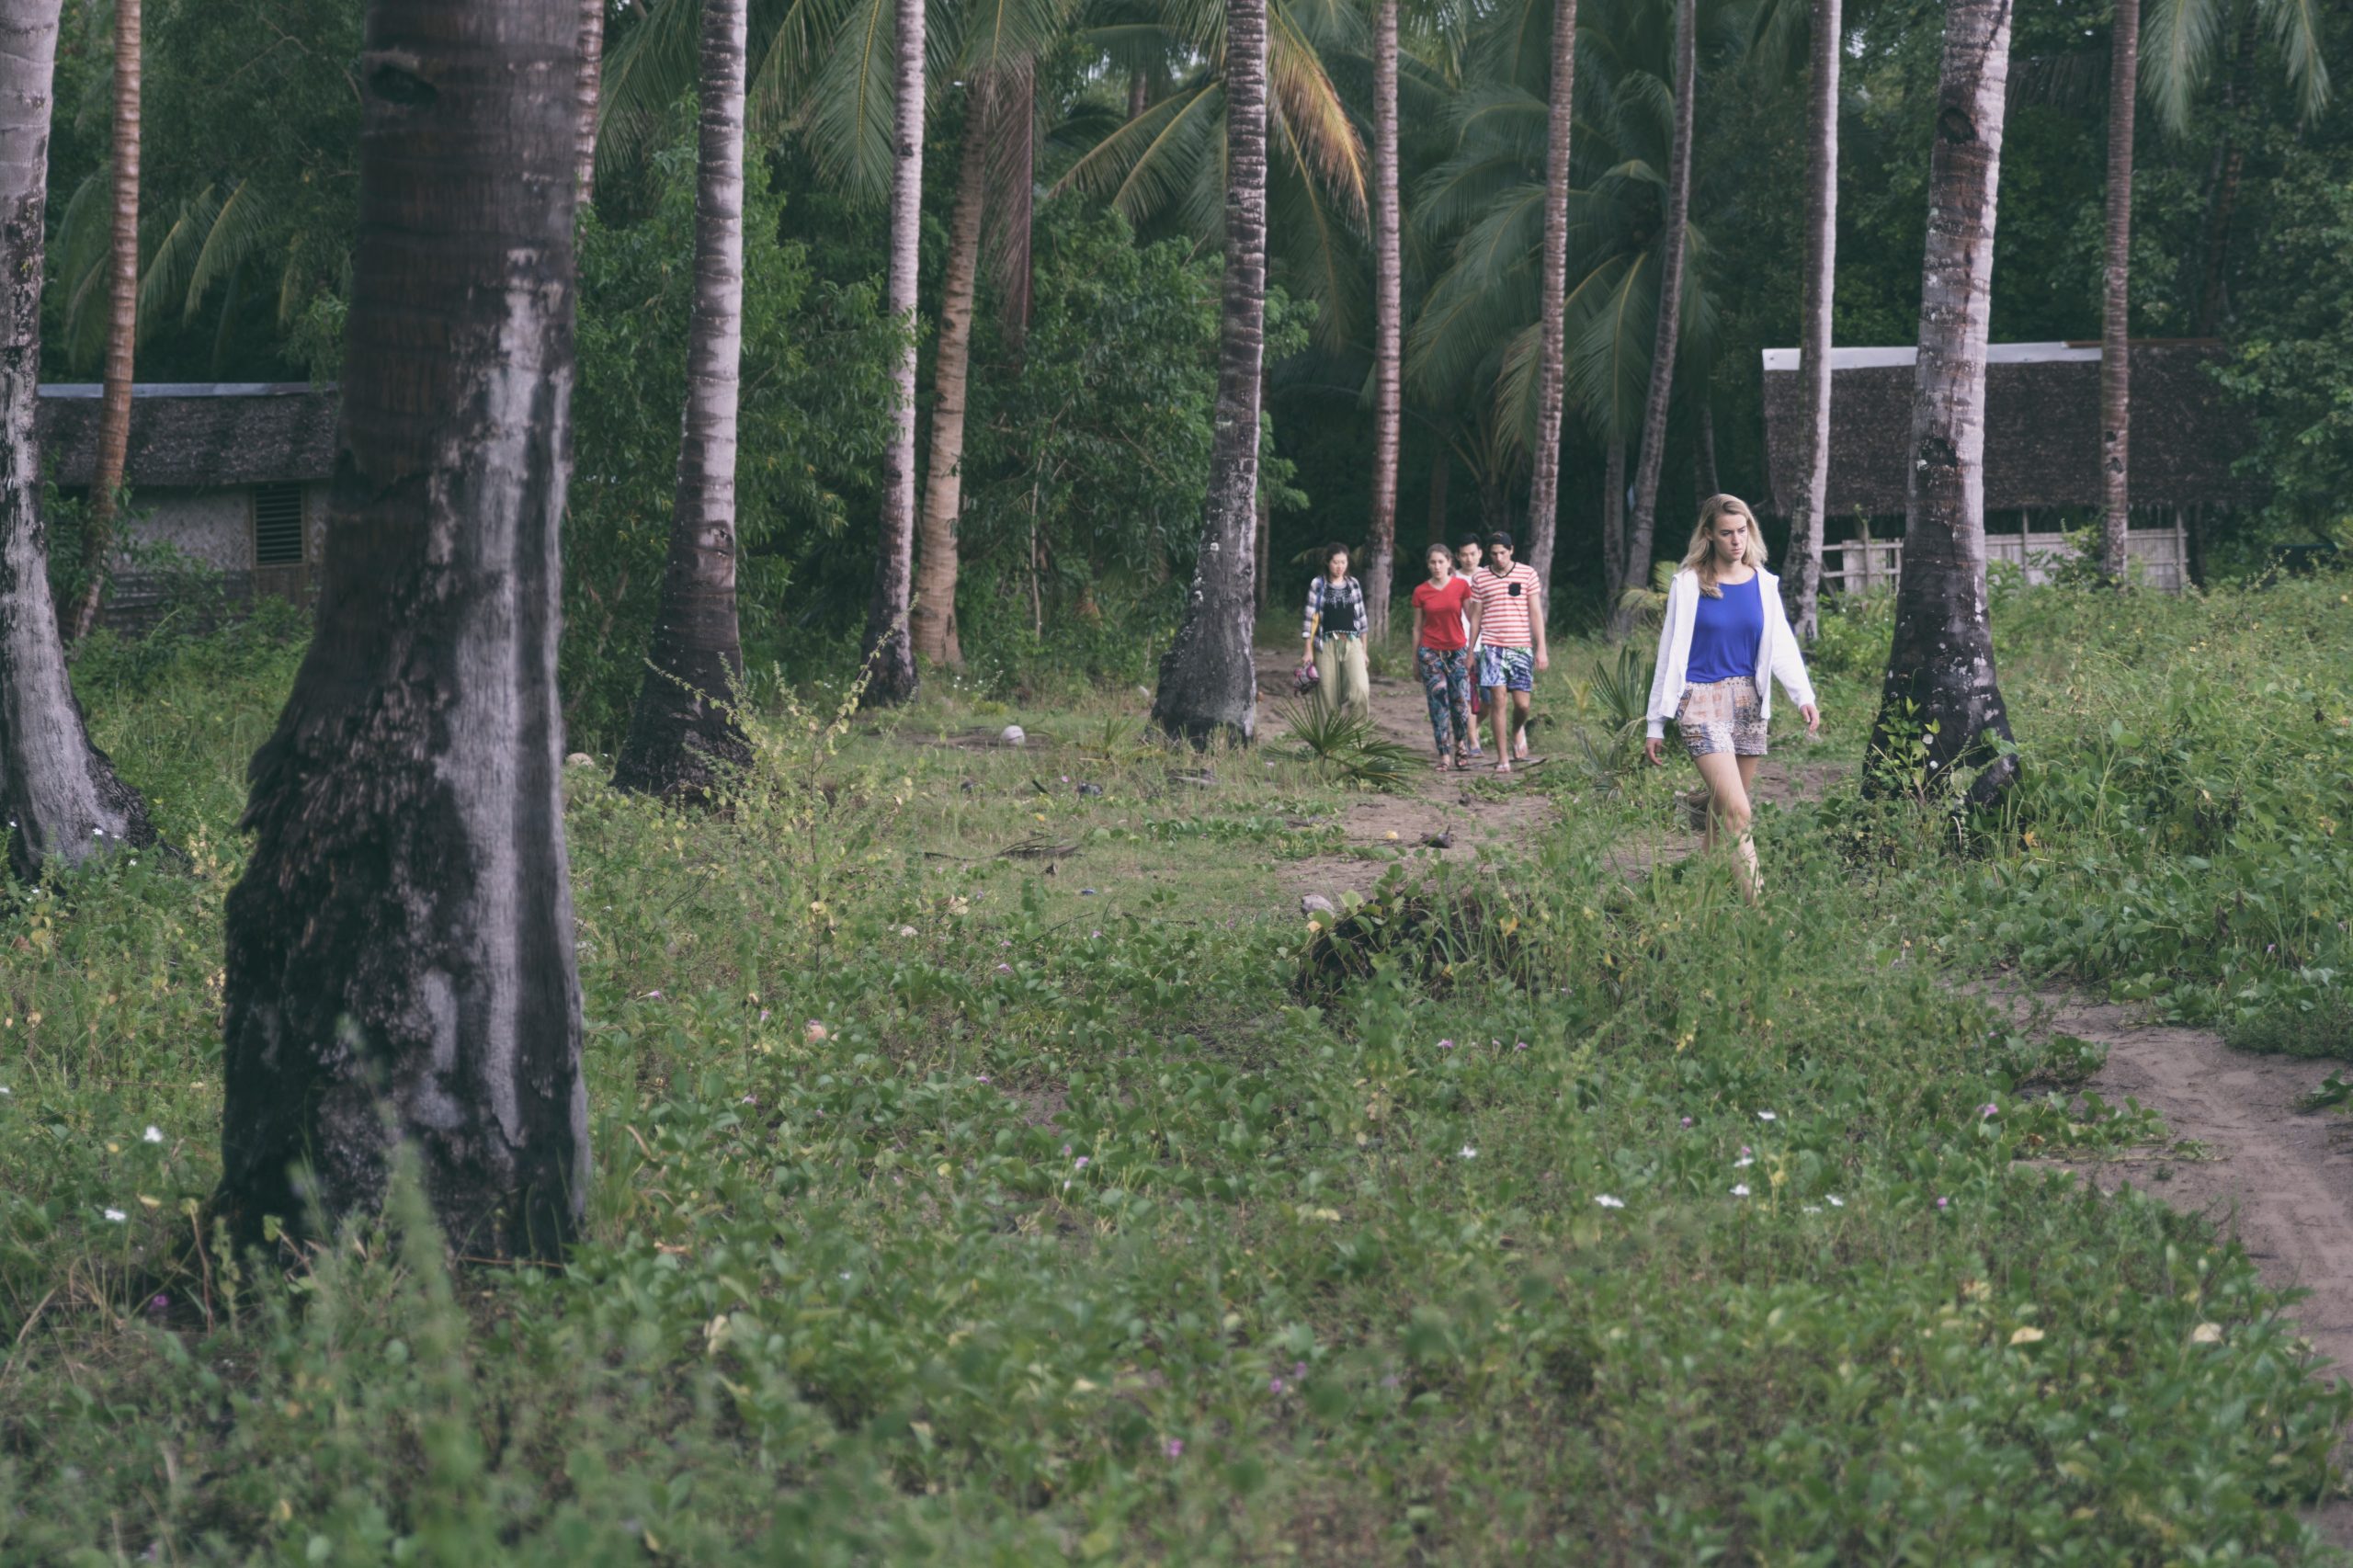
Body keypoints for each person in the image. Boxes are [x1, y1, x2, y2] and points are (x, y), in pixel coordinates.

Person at [1643, 494, 1820, 900]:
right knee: (1739, 811)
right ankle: (1762, 913)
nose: (1736, 540)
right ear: (1709, 535)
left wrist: (1802, 696)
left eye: (1742, 531)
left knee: (1723, 813)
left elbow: (1780, 645)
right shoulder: (1689, 584)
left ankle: (1696, 904)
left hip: (1748, 703)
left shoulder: (1764, 583)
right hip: (1699, 701)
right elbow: (1669, 653)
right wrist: (1655, 722)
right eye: (1726, 533)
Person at [1466, 531, 1547, 772]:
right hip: (1492, 646)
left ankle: (1517, 729)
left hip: (1520, 646)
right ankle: (1503, 759)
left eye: (1502, 553)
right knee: (1498, 699)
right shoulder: (1481, 578)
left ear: (1511, 550)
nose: (1498, 558)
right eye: (1494, 554)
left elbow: (1535, 613)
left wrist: (1541, 648)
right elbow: (1476, 616)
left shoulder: (1527, 574)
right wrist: (1470, 651)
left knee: (1522, 705)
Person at [1409, 542, 1477, 768]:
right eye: (1433, 562)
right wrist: (1415, 661)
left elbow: (1472, 618)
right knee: (1438, 703)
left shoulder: (1460, 586)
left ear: (1449, 562)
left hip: (1457, 650)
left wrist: (1472, 651)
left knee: (1460, 703)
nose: (1437, 566)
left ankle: (1461, 745)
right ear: (1428, 565)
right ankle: (1444, 754)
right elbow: (1417, 628)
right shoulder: (1421, 591)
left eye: (1441, 561)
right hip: (1430, 653)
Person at [1301, 542, 1370, 721]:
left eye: (1343, 562)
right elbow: (1309, 619)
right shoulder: (1318, 584)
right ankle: (1329, 738)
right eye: (1335, 562)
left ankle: (1356, 735)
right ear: (1327, 562)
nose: (1340, 567)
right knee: (1327, 698)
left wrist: (1364, 651)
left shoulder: (1353, 584)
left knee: (1360, 689)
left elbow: (1362, 619)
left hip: (1352, 643)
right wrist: (1308, 651)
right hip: (1325, 645)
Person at [1453, 537, 1488, 749]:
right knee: (1468, 694)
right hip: (1461, 644)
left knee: (1489, 699)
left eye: (1473, 554)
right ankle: (1473, 741)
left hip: (1488, 643)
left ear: (1480, 554)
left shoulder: (1489, 576)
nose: (1469, 559)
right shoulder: (1452, 579)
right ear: (1458, 556)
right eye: (1464, 555)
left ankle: (1472, 728)